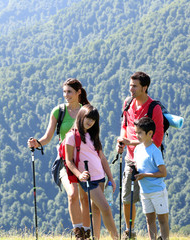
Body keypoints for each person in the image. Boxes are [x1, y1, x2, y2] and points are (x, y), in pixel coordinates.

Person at [27, 78, 91, 239]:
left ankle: (86, 232)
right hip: (65, 158)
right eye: (64, 92)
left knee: (84, 196)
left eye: (69, 92)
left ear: (78, 93)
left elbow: (92, 137)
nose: (66, 95)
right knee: (72, 194)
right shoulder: (58, 111)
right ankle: (78, 233)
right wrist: (37, 143)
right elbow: (48, 137)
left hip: (83, 158)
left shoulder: (87, 111)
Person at [117, 71, 164, 239]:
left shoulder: (154, 108)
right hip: (131, 159)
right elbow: (125, 125)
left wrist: (131, 142)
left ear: (145, 88)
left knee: (151, 199)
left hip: (148, 161)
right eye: (130, 85)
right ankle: (130, 232)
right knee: (127, 199)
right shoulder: (128, 103)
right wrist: (122, 140)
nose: (131, 89)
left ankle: (156, 236)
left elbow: (156, 140)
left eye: (135, 86)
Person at [65, 104, 118, 240]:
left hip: (100, 177)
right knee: (105, 208)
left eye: (93, 120)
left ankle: (96, 238)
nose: (90, 122)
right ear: (81, 116)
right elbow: (68, 161)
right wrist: (80, 175)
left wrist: (110, 178)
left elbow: (102, 158)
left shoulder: (93, 135)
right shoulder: (71, 136)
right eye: (88, 118)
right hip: (87, 179)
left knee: (96, 210)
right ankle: (116, 238)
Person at [131, 117, 169, 240]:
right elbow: (140, 166)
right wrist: (135, 171)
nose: (137, 135)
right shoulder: (137, 149)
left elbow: (163, 173)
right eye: (136, 132)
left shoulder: (155, 151)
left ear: (150, 133)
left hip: (157, 191)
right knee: (149, 219)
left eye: (140, 133)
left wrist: (145, 175)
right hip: (144, 191)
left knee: (162, 219)